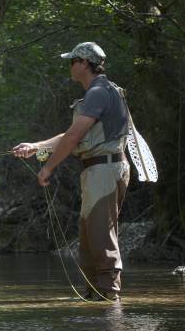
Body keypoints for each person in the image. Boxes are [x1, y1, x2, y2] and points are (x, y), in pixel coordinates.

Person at [12, 42, 130, 301]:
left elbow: (75, 136)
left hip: (104, 169)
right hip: (100, 168)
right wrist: (36, 147)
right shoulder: (100, 92)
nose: (70, 66)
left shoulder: (98, 91)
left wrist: (48, 167)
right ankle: (96, 296)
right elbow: (72, 133)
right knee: (89, 235)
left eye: (72, 61)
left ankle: (109, 299)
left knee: (100, 234)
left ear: (84, 64)